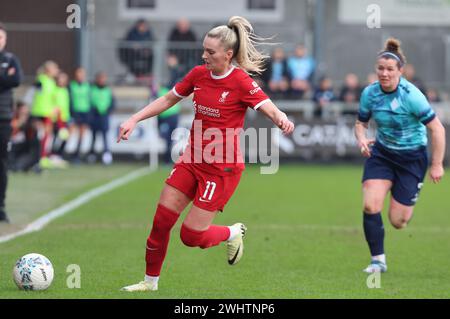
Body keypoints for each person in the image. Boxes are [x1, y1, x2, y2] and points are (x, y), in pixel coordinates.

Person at [118, 16, 294, 292]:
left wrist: (281, 118)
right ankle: (149, 283)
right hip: (192, 160)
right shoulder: (198, 75)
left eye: (210, 52)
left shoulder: (240, 81)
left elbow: (268, 106)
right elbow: (168, 99)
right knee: (161, 221)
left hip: (221, 169)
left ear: (228, 54)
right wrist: (134, 119)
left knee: (190, 235)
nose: (204, 56)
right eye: (203, 50)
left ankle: (232, 232)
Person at [355, 38, 446, 273]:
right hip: (382, 155)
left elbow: (437, 129)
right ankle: (378, 260)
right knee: (370, 205)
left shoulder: (411, 96)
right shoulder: (369, 93)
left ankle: (403, 198)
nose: (384, 73)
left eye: (389, 69)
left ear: (400, 71)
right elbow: (360, 123)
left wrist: (436, 164)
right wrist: (362, 138)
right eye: (380, 69)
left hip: (412, 159)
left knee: (398, 221)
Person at [0, 23, 22, 222]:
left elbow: (17, 80)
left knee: (2, 164)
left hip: (3, 119)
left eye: (1, 37)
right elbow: (8, 80)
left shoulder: (10, 59)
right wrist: (4, 78)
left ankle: (1, 207)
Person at [89, 71, 115, 165]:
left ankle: (106, 155)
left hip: (104, 116)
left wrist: (107, 110)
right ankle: (92, 154)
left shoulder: (108, 90)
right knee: (94, 136)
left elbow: (112, 102)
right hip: (95, 116)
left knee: (105, 136)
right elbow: (90, 101)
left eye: (103, 78)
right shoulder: (92, 89)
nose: (101, 80)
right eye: (100, 78)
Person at [9, 101, 40, 173]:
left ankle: (34, 164)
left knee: (36, 143)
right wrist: (21, 120)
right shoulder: (13, 118)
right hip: (13, 148)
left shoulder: (31, 120)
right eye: (23, 110)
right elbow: (13, 127)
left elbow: (37, 128)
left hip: (24, 149)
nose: (25, 112)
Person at [69, 67, 91, 163]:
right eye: (78, 74)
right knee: (70, 133)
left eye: (82, 74)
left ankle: (77, 154)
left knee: (81, 135)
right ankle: (65, 153)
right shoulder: (71, 85)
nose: (80, 76)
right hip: (74, 112)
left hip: (84, 112)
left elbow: (90, 100)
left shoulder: (88, 86)